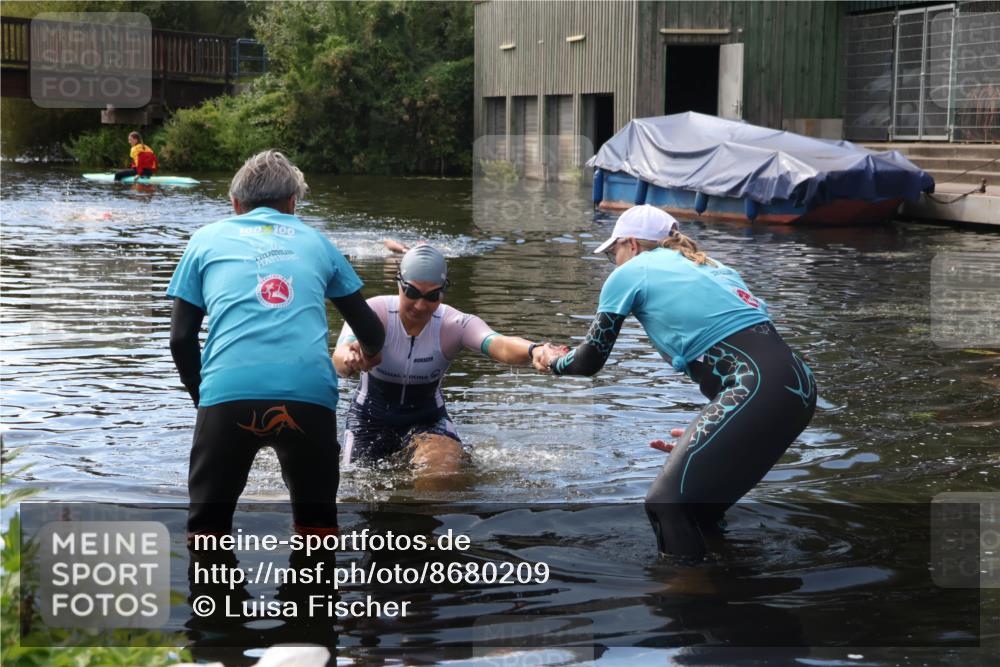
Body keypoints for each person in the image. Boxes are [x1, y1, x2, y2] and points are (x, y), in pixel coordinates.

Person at [533, 205, 817, 561]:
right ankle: (730, 582)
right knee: (698, 511)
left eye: (612, 253)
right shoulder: (713, 266)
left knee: (664, 503)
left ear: (632, 244)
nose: (613, 262)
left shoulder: (632, 271)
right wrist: (720, 431)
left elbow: (588, 361)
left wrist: (550, 359)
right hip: (798, 387)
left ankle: (686, 590)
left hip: (759, 388)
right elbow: (748, 351)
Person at [167, 150, 385, 540]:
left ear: (235, 204)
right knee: (318, 530)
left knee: (206, 533)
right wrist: (369, 353)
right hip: (308, 395)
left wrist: (205, 398)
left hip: (228, 393)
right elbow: (370, 328)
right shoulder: (319, 243)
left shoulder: (204, 240)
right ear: (292, 203)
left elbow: (181, 339)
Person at [333, 244, 564, 481]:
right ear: (399, 283)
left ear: (443, 292)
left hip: (427, 421)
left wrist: (535, 350)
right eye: (412, 292)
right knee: (352, 488)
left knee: (441, 476)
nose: (420, 305)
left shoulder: (453, 324)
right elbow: (340, 357)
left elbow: (498, 343)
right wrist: (350, 359)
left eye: (432, 296)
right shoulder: (374, 312)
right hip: (369, 420)